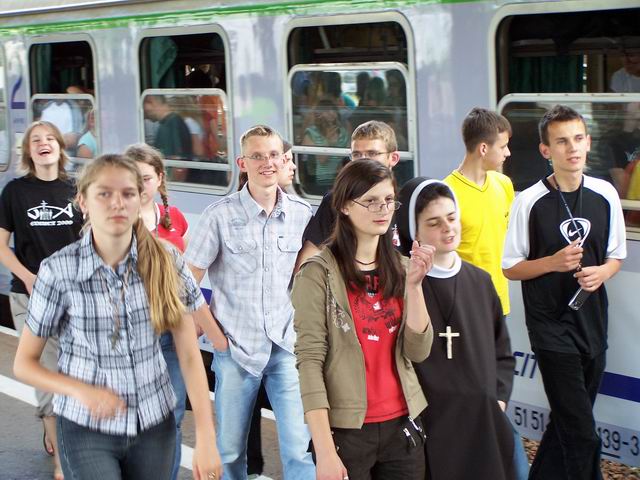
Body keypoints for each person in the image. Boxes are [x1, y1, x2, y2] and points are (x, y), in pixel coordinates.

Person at [13, 154, 222, 480]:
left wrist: (207, 438)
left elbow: (189, 355)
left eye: (127, 193)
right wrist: (80, 390)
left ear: (140, 199)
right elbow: (24, 363)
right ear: (83, 202)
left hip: (154, 424)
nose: (117, 203)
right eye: (104, 194)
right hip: (84, 428)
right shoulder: (58, 270)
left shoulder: (167, 261)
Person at [503, 105, 627, 479]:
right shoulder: (528, 201)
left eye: (577, 139)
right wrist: (552, 263)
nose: (572, 148)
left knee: (566, 424)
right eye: (561, 141)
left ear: (588, 142)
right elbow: (510, 267)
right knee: (583, 436)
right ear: (546, 150)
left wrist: (601, 273)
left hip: (592, 322)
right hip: (550, 328)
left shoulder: (605, 193)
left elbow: (616, 256)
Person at [185, 125, 315, 480]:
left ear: (283, 159)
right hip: (235, 350)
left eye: (273, 155)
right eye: (257, 156)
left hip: (286, 348)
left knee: (299, 448)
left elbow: (312, 279)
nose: (266, 163)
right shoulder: (219, 215)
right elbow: (185, 281)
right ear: (242, 163)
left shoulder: (302, 214)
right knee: (230, 451)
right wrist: (214, 335)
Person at [292, 159, 434, 480]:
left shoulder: (402, 267)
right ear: (344, 206)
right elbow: (310, 361)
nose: (382, 209)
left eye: (388, 200)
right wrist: (324, 451)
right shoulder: (317, 273)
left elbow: (418, 351)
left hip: (403, 426)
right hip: (347, 432)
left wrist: (414, 287)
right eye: (370, 201)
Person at [396, 178, 516, 480]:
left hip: (483, 420)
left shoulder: (481, 281)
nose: (448, 228)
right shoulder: (404, 285)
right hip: (433, 422)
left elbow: (502, 350)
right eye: (434, 223)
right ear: (414, 231)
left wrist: (498, 399)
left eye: (452, 217)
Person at [443, 108, 529, 478]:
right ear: (483, 148)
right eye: (503, 146)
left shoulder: (503, 186)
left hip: (499, 308)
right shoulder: (447, 193)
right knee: (486, 398)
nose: (507, 153)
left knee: (493, 396)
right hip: (463, 312)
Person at [0, 120, 83, 480]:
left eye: (50, 138)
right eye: (36, 140)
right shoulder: (15, 192)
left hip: (77, 297)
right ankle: (62, 461)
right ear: (28, 151)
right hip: (31, 296)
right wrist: (27, 276)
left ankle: (67, 438)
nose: (43, 143)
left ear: (60, 148)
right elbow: (1, 246)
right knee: (47, 374)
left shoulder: (77, 188)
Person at [124, 143, 189, 480]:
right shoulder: (115, 220)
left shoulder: (174, 218)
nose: (140, 185)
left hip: (172, 331)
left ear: (159, 179)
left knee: (172, 414)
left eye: (146, 178)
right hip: (132, 335)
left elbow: (186, 272)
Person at [297, 120, 401, 267]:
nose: (363, 160)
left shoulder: (408, 200)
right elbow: (308, 259)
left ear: (393, 158)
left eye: (372, 153)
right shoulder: (336, 199)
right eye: (357, 154)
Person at [143, 95, 193, 181]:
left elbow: (177, 162)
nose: (145, 115)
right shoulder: (169, 122)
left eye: (146, 110)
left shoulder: (171, 124)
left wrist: (170, 184)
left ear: (152, 102)